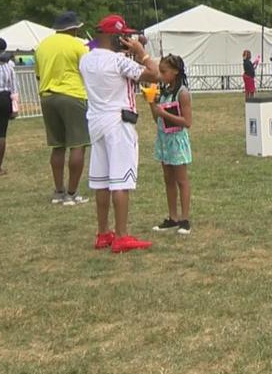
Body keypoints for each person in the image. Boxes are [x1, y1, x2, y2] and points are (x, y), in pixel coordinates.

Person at [80, 15, 162, 253]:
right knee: (120, 181)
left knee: (102, 181)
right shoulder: (118, 62)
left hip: (96, 122)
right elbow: (155, 74)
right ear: (114, 37)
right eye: (123, 35)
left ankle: (104, 232)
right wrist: (141, 53)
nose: (126, 39)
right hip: (118, 122)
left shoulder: (85, 60)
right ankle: (122, 235)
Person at [35, 11, 91, 206]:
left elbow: (38, 75)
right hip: (72, 95)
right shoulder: (78, 45)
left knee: (57, 145)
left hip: (47, 96)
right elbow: (87, 69)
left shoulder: (42, 46)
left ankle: (58, 191)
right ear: (74, 28)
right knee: (78, 143)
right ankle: (72, 193)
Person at [148, 55, 194, 235]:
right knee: (168, 179)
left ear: (175, 72)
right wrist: (152, 103)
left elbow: (187, 122)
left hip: (177, 140)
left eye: (163, 71)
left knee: (181, 180)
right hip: (163, 140)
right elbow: (156, 119)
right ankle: (172, 217)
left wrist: (164, 114)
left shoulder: (182, 93)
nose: (160, 75)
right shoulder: (165, 92)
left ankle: (184, 218)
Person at [0, 36, 17, 177]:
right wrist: (15, 106)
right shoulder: (8, 66)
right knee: (0, 134)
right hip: (3, 99)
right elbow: (14, 87)